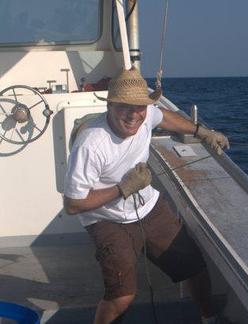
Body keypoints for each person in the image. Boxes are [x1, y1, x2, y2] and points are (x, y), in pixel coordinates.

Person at [63, 67, 229, 324]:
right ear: (110, 105)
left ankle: (209, 317)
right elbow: (73, 205)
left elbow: (165, 117)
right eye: (124, 107)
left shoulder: (146, 112)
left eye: (140, 107)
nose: (133, 114)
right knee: (121, 297)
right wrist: (123, 188)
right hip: (107, 220)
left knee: (194, 266)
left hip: (148, 207)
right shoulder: (91, 143)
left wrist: (202, 132)